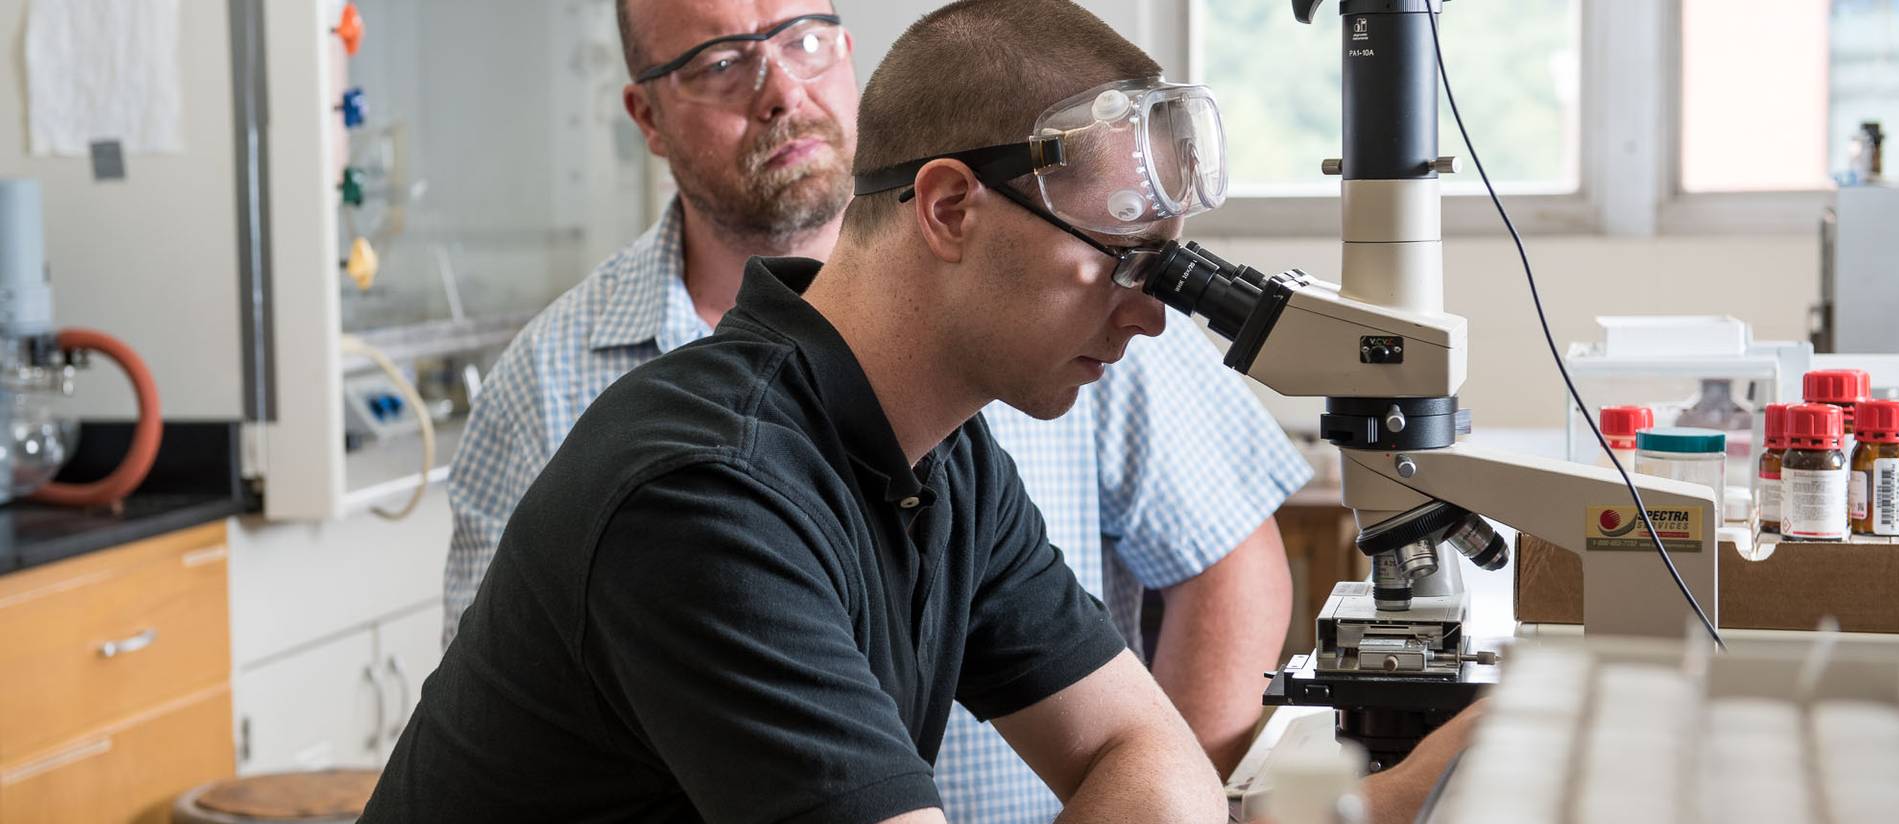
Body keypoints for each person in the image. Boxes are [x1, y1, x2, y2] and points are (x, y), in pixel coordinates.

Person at [439, 0, 1305, 818]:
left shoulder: (942, 457)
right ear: (949, 208)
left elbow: (1144, 747)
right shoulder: (707, 495)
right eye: (1119, 259)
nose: (1150, 314)